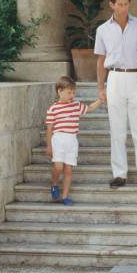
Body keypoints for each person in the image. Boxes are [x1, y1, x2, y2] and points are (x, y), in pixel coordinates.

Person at [94, 0, 137, 189]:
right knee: (117, 129)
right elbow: (101, 59)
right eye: (119, 4)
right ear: (112, 5)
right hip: (115, 78)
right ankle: (119, 174)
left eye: (126, 3)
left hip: (136, 76)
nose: (123, 7)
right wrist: (100, 87)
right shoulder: (102, 30)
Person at [46, 76, 102, 205]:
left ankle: (65, 196)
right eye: (69, 92)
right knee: (58, 167)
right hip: (58, 139)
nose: (72, 95)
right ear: (60, 92)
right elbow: (49, 129)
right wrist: (49, 146)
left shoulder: (76, 105)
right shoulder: (53, 108)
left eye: (73, 92)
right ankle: (54, 184)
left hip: (72, 140)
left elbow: (90, 108)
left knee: (68, 170)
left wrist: (100, 100)